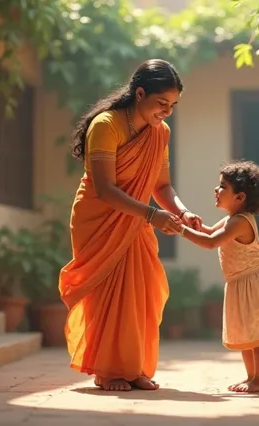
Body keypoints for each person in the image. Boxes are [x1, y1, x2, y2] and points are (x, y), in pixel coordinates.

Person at [59, 59, 202, 392]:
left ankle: (133, 366)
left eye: (173, 106)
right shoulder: (106, 125)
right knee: (109, 294)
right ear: (140, 93)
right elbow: (106, 188)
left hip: (136, 220)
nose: (167, 112)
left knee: (142, 294)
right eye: (161, 103)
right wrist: (153, 216)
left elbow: (162, 187)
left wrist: (182, 213)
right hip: (99, 218)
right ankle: (108, 370)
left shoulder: (160, 132)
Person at [179, 160, 259, 393]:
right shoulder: (232, 219)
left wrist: (181, 231)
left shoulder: (240, 222)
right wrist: (193, 224)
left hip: (253, 283)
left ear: (240, 197)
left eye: (222, 187)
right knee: (246, 336)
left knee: (258, 338)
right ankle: (252, 378)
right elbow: (209, 233)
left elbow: (211, 243)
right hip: (240, 284)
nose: (216, 190)